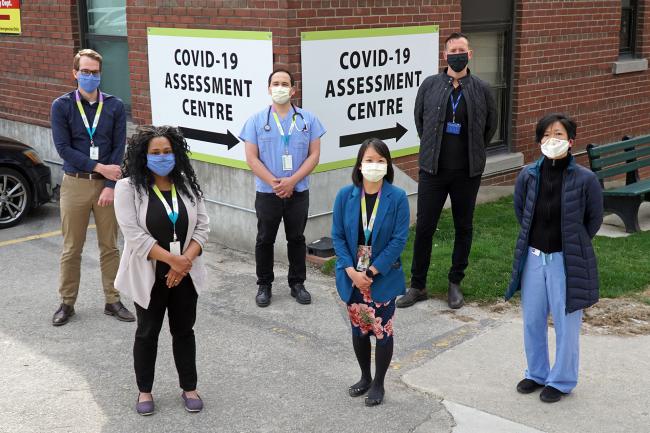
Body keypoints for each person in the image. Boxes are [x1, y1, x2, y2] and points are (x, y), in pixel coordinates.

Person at [505, 113, 603, 403]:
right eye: (546, 134)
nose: (552, 140)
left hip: (566, 260)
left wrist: (572, 243)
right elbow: (521, 211)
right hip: (534, 259)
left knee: (565, 323)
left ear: (571, 141)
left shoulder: (585, 179)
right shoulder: (528, 175)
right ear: (539, 140)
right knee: (532, 320)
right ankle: (536, 373)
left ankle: (561, 380)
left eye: (559, 134)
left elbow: (593, 219)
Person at [113, 126, 210, 415]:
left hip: (185, 273)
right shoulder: (127, 188)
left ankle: (189, 387)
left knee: (184, 331)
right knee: (147, 332)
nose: (162, 157)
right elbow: (134, 235)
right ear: (144, 156)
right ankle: (145, 391)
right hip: (150, 274)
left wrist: (184, 262)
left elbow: (203, 227)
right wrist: (173, 260)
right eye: (155, 153)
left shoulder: (187, 185)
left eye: (167, 152)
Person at [398, 32, 497, 310]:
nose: (457, 53)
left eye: (461, 49)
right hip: (433, 171)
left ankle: (455, 282)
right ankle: (417, 285)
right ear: (445, 55)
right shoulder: (430, 86)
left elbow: (489, 127)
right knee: (425, 228)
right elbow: (420, 120)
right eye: (452, 49)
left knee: (463, 227)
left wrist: (472, 151)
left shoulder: (482, 88)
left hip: (467, 173)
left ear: (470, 54)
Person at [50, 49, 134, 325]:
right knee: (72, 247)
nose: (89, 77)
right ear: (75, 73)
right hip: (75, 184)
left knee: (109, 246)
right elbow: (63, 148)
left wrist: (110, 184)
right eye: (84, 72)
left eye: (94, 73)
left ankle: (113, 300)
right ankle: (66, 303)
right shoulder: (61, 106)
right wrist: (99, 168)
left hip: (107, 188)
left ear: (100, 74)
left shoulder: (114, 106)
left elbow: (117, 147)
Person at [332, 138, 410, 407]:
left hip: (382, 278)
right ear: (359, 164)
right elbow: (338, 236)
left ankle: (379, 383)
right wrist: (351, 271)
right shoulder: (345, 195)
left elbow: (399, 240)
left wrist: (373, 270)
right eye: (369, 160)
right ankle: (365, 377)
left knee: (382, 331)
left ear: (387, 165)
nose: (374, 165)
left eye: (380, 161)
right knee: (359, 330)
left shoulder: (397, 197)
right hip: (353, 278)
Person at [240, 69, 326, 308]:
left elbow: (314, 155)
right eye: (275, 83)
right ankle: (264, 285)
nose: (280, 87)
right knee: (264, 239)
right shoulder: (256, 121)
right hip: (268, 193)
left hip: (298, 192)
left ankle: (297, 284)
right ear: (269, 89)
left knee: (296, 238)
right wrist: (274, 182)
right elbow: (251, 158)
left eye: (284, 84)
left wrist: (292, 181)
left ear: (293, 90)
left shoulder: (308, 120)